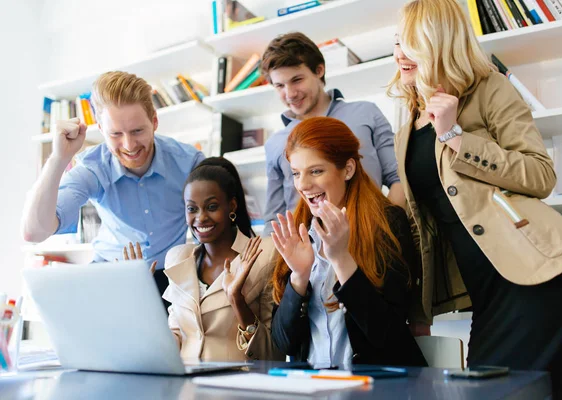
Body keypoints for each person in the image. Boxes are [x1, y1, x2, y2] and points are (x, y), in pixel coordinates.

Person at [390, 0, 562, 398]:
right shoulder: (406, 123)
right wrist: (417, 312)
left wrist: (455, 137)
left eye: (412, 42)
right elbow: (424, 227)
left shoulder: (488, 88)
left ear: (439, 42)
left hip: (545, 278)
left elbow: (540, 174)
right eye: (397, 41)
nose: (400, 53)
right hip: (488, 294)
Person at [21, 71, 204, 299]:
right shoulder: (94, 167)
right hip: (111, 272)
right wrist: (59, 159)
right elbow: (34, 232)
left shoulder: (189, 162)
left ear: (154, 121)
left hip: (171, 275)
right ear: (100, 128)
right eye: (116, 134)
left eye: (137, 131)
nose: (128, 145)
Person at [269, 116, 427, 369]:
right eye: (296, 173)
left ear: (348, 169)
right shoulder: (297, 233)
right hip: (313, 390)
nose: (303, 185)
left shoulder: (388, 223)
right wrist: (299, 277)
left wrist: (342, 259)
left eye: (316, 171)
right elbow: (283, 344)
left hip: (376, 390)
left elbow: (388, 336)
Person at [261, 32, 405, 235]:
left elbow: (400, 177)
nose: (290, 93)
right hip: (310, 256)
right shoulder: (275, 144)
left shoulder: (366, 113)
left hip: (372, 238)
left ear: (319, 70)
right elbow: (274, 219)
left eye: (297, 80)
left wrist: (384, 232)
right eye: (279, 86)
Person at [156, 157, 283, 361]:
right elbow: (176, 334)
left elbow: (273, 353)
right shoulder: (178, 258)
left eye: (212, 207)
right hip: (185, 385)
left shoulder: (265, 254)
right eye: (192, 208)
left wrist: (237, 299)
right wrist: (142, 307)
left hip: (236, 385)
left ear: (231, 206)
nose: (201, 217)